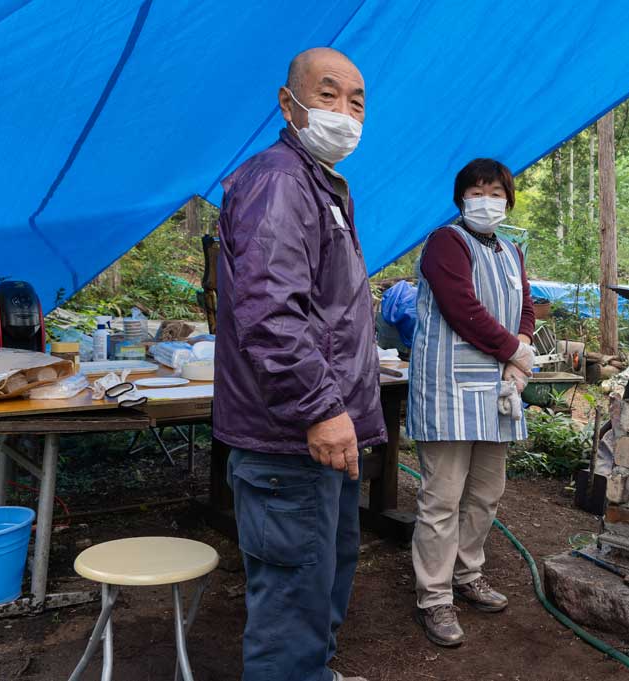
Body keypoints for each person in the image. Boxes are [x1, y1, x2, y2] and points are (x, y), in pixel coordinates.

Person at [214, 47, 382, 681]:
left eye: (356, 102)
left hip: (322, 437)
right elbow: (270, 312)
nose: (343, 112)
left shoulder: (321, 184)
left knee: (321, 583)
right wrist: (321, 408)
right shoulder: (281, 180)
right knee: (291, 601)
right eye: (328, 94)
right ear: (289, 104)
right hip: (292, 437)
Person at [408, 158, 536, 647]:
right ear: (461, 197)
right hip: (448, 389)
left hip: (496, 389)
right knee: (441, 499)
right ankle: (434, 598)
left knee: (485, 493)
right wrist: (513, 351)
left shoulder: (511, 250)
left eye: (496, 192)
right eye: (477, 191)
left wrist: (518, 350)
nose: (487, 199)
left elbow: (524, 306)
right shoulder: (446, 242)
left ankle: (468, 575)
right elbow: (462, 308)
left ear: (508, 199)